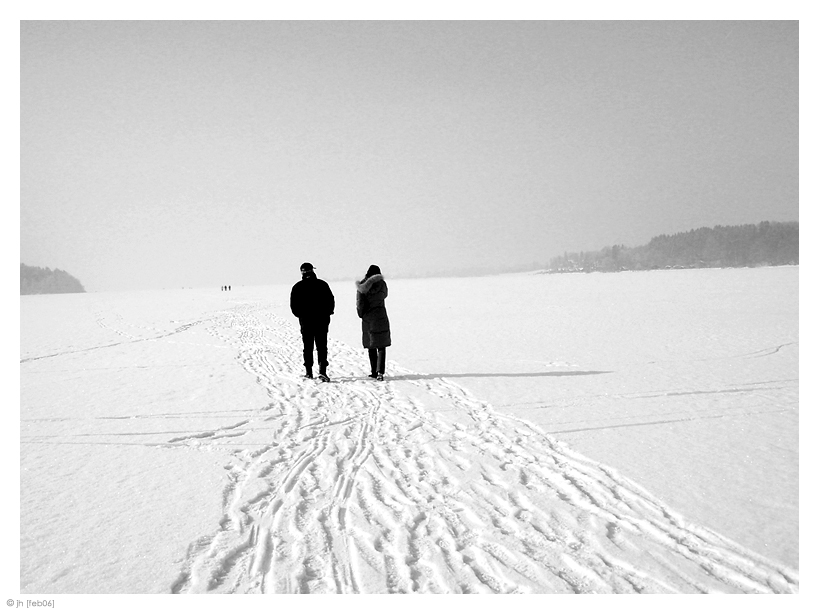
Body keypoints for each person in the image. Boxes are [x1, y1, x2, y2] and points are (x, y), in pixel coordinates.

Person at [290, 262, 335, 381]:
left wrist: (301, 315)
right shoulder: (322, 284)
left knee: (308, 347)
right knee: (322, 346)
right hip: (321, 321)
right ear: (312, 271)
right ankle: (322, 371)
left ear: (302, 272)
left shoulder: (297, 287)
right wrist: (327, 313)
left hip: (306, 322)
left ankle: (309, 372)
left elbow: (293, 306)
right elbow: (331, 301)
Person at [355, 264, 391, 381]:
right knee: (381, 345)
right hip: (381, 315)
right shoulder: (382, 285)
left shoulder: (362, 286)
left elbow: (360, 304)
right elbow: (384, 295)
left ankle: (373, 371)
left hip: (368, 318)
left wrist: (361, 314)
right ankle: (380, 372)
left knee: (371, 344)